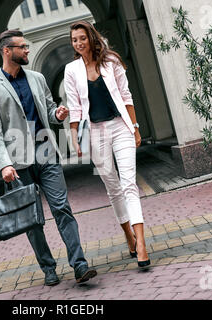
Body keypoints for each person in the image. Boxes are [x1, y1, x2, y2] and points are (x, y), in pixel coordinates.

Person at [0, 29, 97, 286]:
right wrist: (4, 165)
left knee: (62, 209)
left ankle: (79, 265)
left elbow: (49, 108)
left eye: (27, 46)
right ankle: (48, 267)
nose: (27, 50)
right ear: (7, 51)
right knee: (32, 220)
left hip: (46, 151)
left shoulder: (37, 78)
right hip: (17, 162)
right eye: (22, 47)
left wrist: (58, 114)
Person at [64, 21, 150, 269]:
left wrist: (134, 128)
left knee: (129, 183)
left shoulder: (111, 61)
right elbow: (75, 107)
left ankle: (142, 243)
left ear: (91, 38)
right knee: (112, 186)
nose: (78, 43)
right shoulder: (72, 70)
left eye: (82, 38)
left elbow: (126, 95)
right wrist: (74, 139)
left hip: (119, 126)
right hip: (95, 133)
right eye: (74, 40)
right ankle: (128, 234)